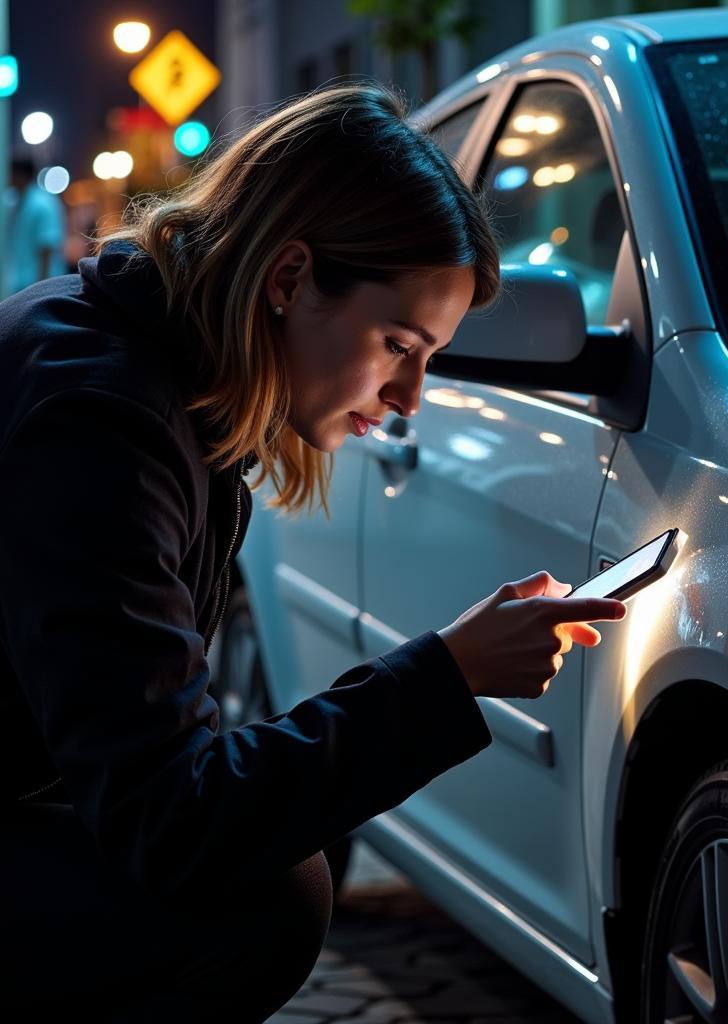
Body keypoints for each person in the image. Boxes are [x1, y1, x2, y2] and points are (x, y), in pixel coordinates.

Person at [0, 84, 627, 1021]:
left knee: (292, 842)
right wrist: (446, 679)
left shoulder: (140, 366)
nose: (412, 394)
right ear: (290, 278)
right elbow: (170, 823)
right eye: (397, 344)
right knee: (264, 899)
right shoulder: (101, 423)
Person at [3, 155, 67, 298]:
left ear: (19, 175)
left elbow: (47, 248)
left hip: (39, 285)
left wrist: (39, 292)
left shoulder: (43, 204)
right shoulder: (13, 201)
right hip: (19, 284)